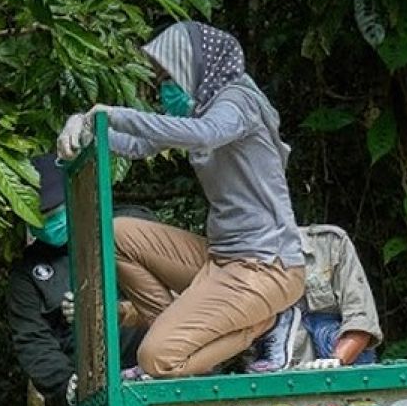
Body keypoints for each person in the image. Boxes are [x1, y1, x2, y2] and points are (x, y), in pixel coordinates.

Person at [56, 20, 305, 380]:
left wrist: (114, 114)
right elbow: (141, 145)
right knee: (117, 234)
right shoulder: (198, 110)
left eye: (169, 77)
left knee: (155, 359)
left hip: (267, 266)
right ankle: (176, 344)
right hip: (221, 260)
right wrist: (86, 129)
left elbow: (207, 134)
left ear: (197, 68)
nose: (164, 89)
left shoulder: (239, 99)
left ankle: (266, 323)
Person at [6, 153, 153, 406]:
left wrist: (111, 306)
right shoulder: (27, 275)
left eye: (53, 211)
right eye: (37, 215)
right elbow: (31, 341)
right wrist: (68, 383)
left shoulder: (126, 228)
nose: (47, 221)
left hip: (150, 386)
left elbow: (178, 290)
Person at [285, 224, 382, 369]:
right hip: (278, 361)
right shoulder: (243, 259)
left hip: (335, 358)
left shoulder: (330, 242)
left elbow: (361, 321)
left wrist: (336, 361)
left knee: (326, 327)